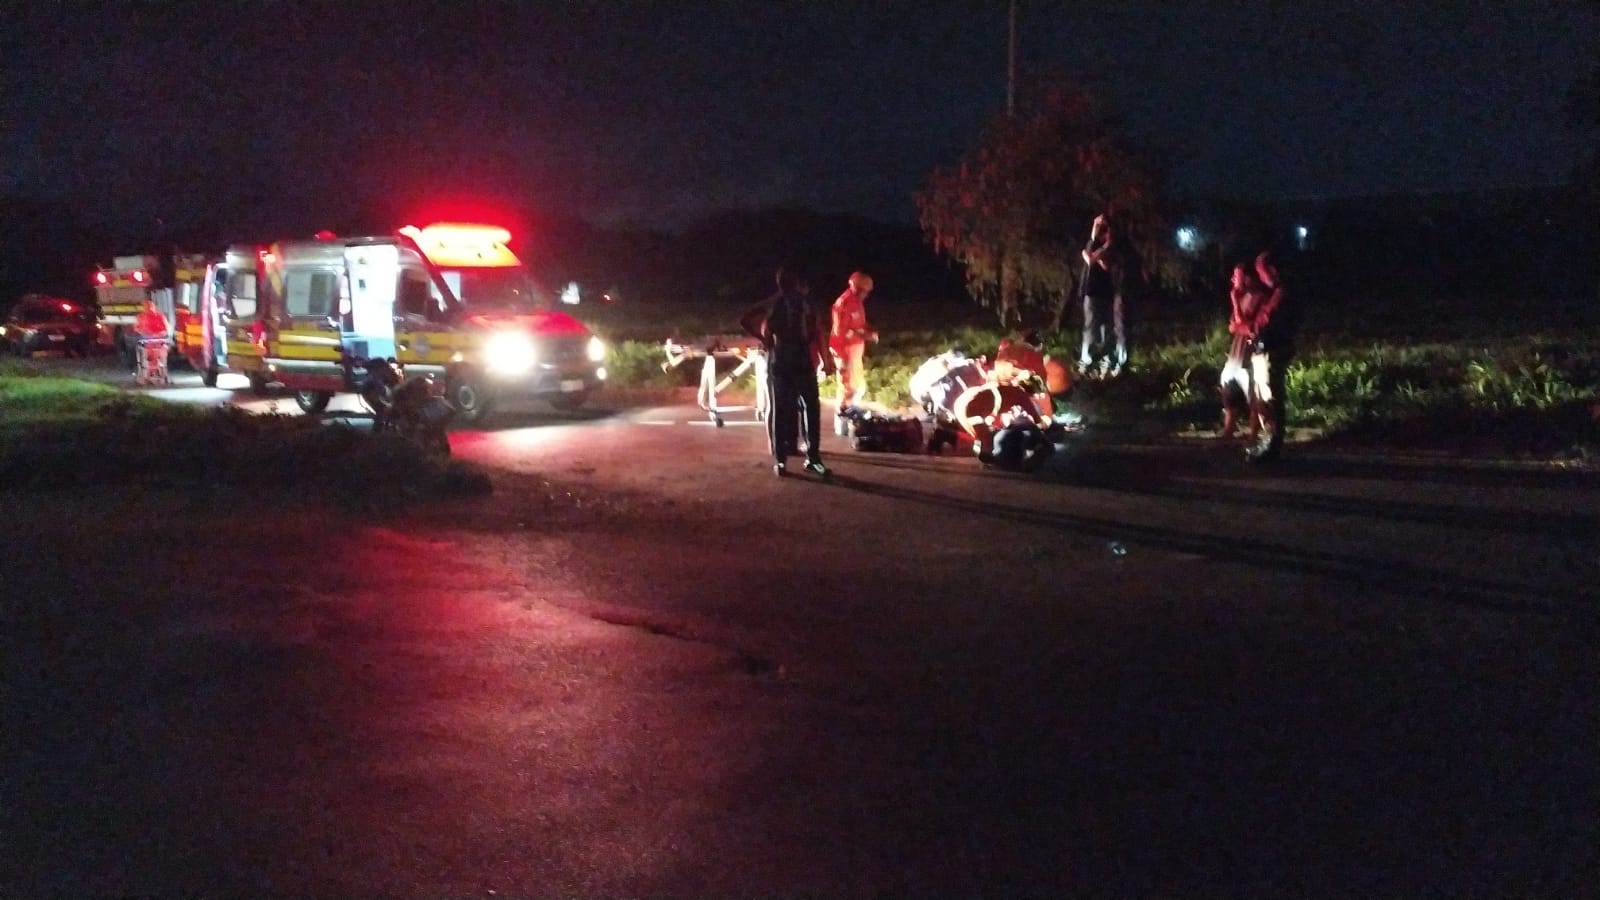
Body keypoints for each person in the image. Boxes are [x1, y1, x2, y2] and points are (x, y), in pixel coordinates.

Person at [741, 268, 833, 478]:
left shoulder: (774, 302)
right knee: (809, 407)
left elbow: (745, 319)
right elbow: (819, 331)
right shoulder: (805, 303)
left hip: (781, 360)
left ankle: (782, 460)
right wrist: (825, 359)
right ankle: (811, 457)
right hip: (799, 360)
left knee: (781, 409)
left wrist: (764, 339)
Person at [1246, 251, 1295, 462]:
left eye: (1262, 272)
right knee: (1263, 396)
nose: (1261, 277)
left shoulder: (1282, 294)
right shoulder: (1277, 293)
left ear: (1273, 270)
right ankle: (1268, 442)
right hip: (1265, 351)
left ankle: (1272, 444)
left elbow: (1264, 320)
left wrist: (1250, 327)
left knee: (1269, 397)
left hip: (1272, 351)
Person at [1078, 213, 1128, 377]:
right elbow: (1091, 258)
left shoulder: (1111, 246)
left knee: (1106, 329)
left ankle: (1104, 360)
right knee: (1091, 327)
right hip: (1092, 291)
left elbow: (1097, 261)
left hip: (1106, 292)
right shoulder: (1093, 244)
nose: (1100, 230)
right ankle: (1088, 361)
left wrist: (1092, 257)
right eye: (1098, 226)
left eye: (1102, 227)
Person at [829, 271, 876, 435]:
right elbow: (842, 332)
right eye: (864, 291)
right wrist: (865, 335)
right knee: (847, 388)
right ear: (857, 288)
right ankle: (842, 425)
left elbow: (858, 324)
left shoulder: (856, 302)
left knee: (857, 386)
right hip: (844, 351)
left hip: (854, 351)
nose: (866, 295)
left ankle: (851, 422)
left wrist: (868, 330)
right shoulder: (844, 303)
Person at [1220, 263, 1263, 440]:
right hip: (1235, 355)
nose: (1232, 279)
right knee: (1229, 393)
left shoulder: (1257, 297)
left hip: (1248, 356)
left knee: (1253, 398)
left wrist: (1235, 301)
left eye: (1236, 276)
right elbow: (1233, 326)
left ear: (1247, 278)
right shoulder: (1243, 296)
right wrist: (1240, 323)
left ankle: (1254, 435)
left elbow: (1247, 326)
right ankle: (1228, 431)